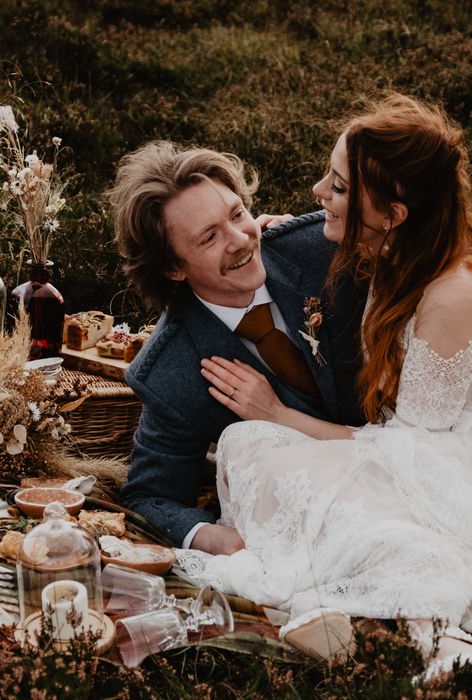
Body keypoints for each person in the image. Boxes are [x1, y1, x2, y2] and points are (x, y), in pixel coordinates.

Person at [186, 94, 472, 678]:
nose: (319, 192)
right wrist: (265, 235)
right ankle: (354, 607)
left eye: (338, 187)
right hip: (402, 447)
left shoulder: (452, 294)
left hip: (446, 466)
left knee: (280, 450)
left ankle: (430, 623)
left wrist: (278, 413)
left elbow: (418, 453)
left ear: (392, 214)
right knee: (247, 444)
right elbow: (321, 226)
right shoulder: (398, 246)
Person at [107, 142, 366, 554]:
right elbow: (149, 498)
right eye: (209, 237)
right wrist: (217, 538)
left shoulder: (325, 248)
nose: (241, 240)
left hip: (418, 466)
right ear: (173, 268)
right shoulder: (168, 372)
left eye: (237, 215)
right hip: (310, 536)